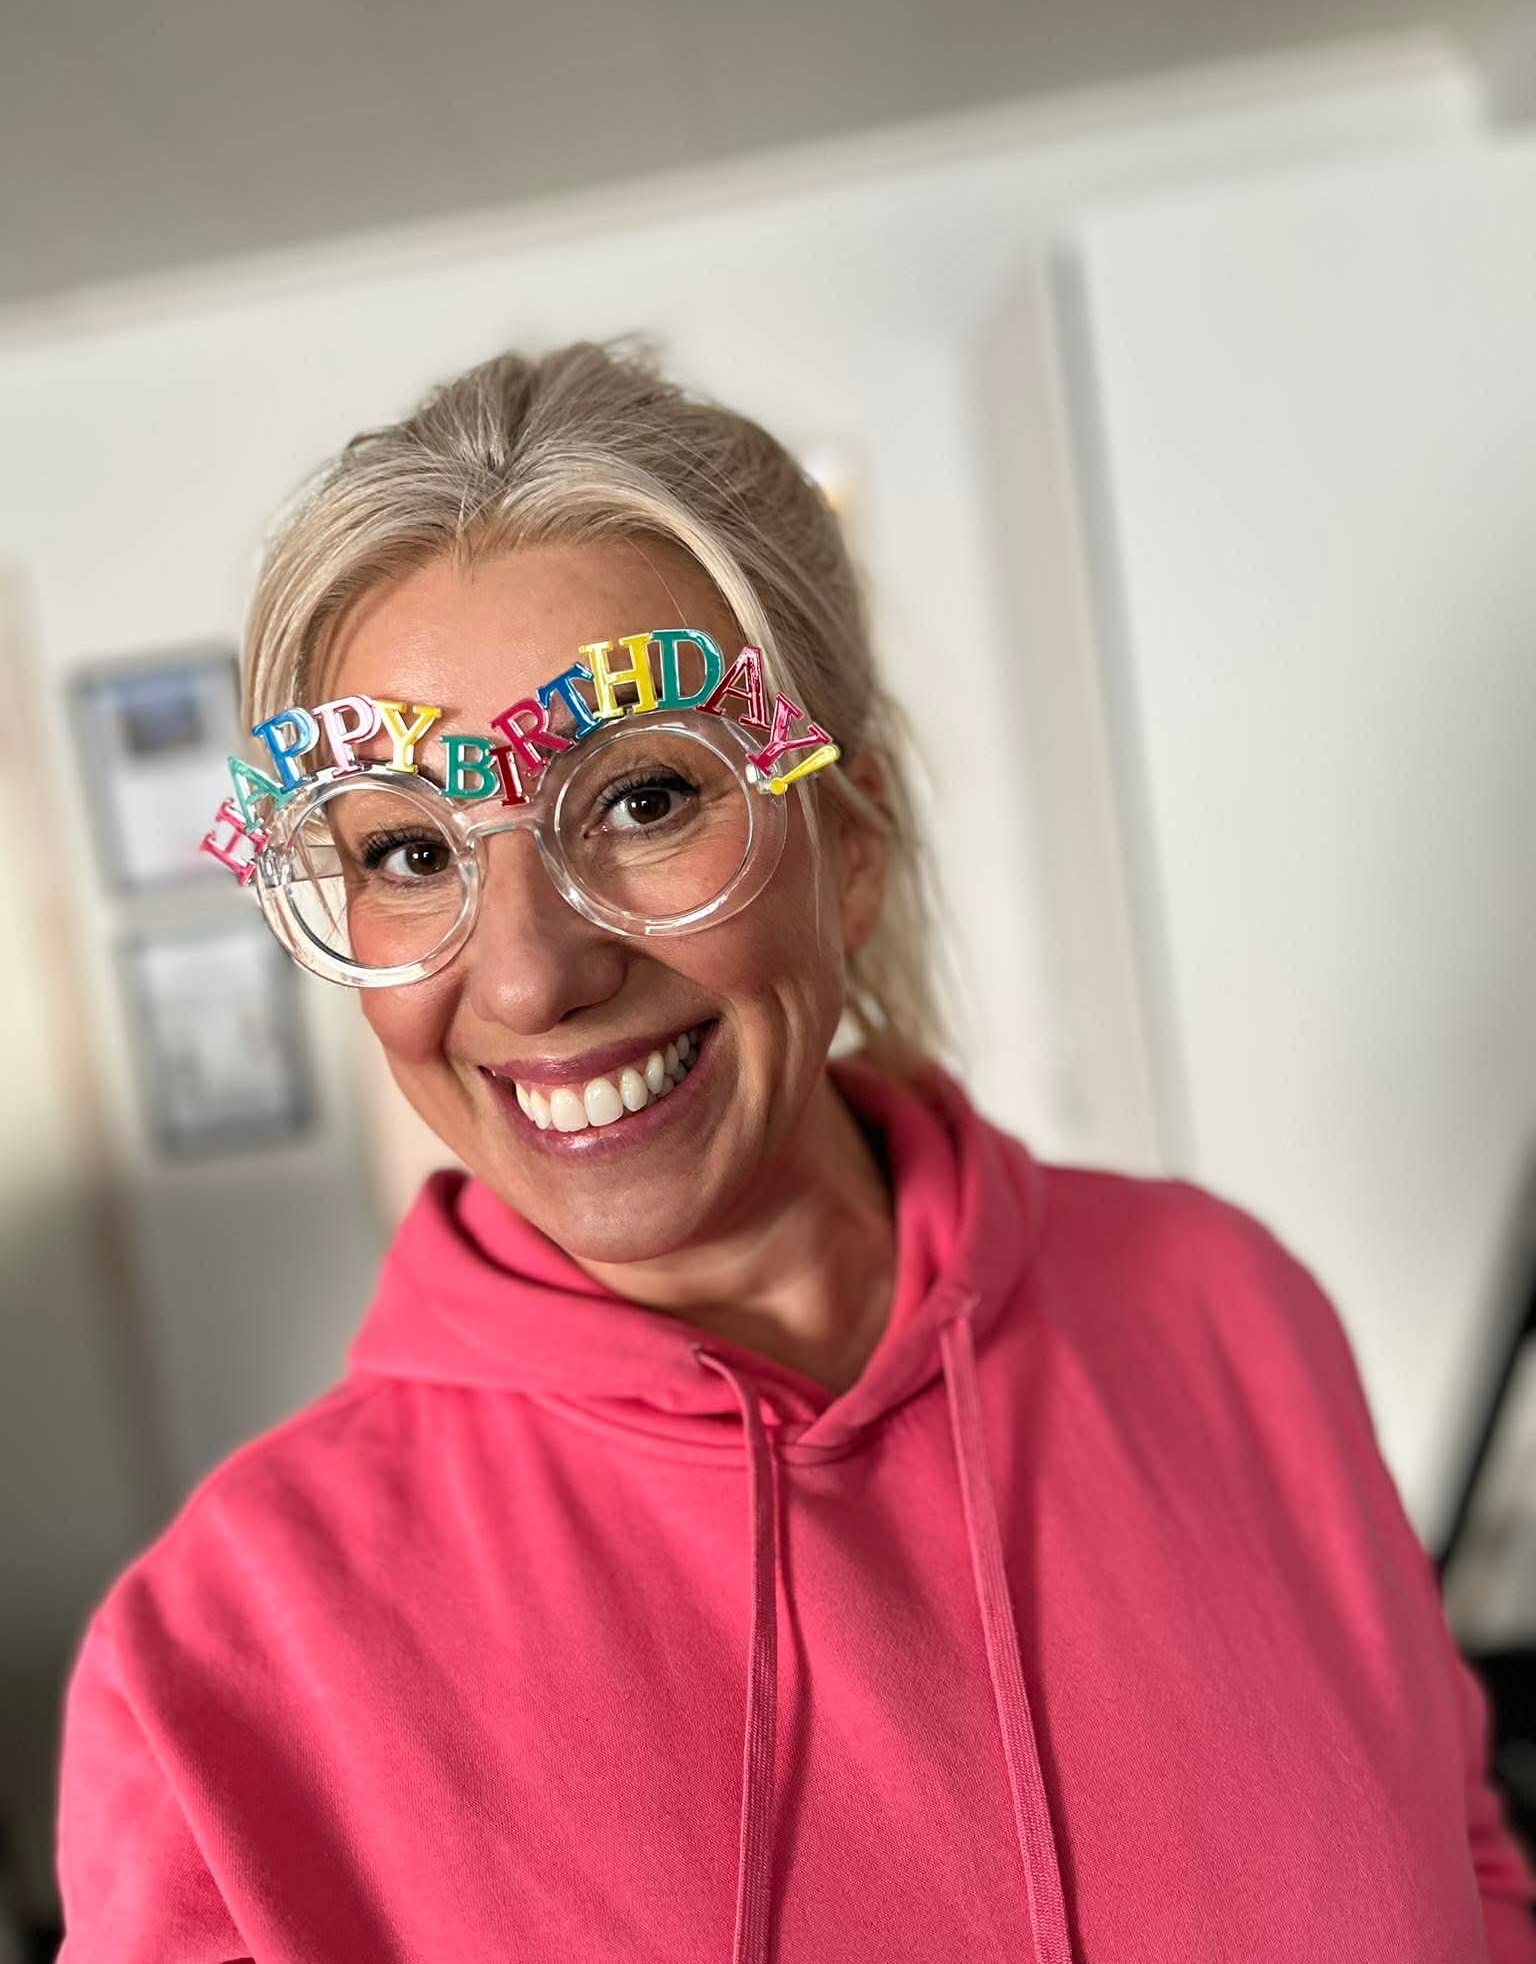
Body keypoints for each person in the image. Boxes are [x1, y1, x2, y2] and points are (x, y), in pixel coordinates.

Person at [54, 339, 1536, 1962]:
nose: (534, 974)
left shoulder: (1222, 1309)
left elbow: (1466, 1867)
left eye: (641, 800)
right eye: (410, 851)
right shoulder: (216, 1670)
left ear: (851, 843)